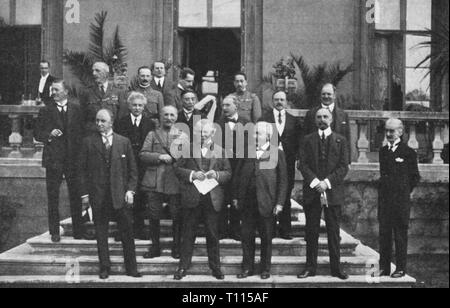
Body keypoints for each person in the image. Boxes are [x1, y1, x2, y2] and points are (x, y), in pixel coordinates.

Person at [79, 109, 141, 279]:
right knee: (101, 233)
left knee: (127, 232)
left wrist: (130, 190)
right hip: (98, 196)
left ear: (111, 122)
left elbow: (133, 171)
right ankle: (104, 267)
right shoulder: (88, 142)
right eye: (97, 120)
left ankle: (132, 268)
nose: (99, 124)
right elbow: (81, 171)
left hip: (120, 195)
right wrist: (85, 195)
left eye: (103, 121)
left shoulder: (123, 142)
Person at [173, 120, 231, 281]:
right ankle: (183, 267)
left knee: (213, 234)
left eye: (206, 132)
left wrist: (217, 175)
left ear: (212, 133)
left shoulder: (221, 151)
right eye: (199, 132)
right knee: (188, 233)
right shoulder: (187, 148)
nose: (202, 135)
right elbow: (176, 169)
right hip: (192, 197)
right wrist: (192, 174)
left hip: (212, 199)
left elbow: (228, 173)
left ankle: (215, 267)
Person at [297, 108, 350, 280]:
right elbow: (302, 165)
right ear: (314, 120)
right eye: (319, 117)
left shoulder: (341, 140)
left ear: (332, 119)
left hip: (332, 192)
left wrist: (326, 183)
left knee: (333, 231)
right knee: (311, 231)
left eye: (325, 116)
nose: (322, 119)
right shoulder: (306, 140)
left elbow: (343, 167)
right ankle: (310, 267)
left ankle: (336, 268)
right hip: (312, 192)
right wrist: (315, 183)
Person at [232, 122, 288, 280]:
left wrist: (279, 203)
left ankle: (265, 268)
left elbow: (283, 181)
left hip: (267, 202)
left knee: (266, 237)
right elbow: (237, 176)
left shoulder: (277, 153)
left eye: (259, 133)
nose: (255, 136)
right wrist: (235, 197)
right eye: (254, 133)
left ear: (268, 136)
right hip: (247, 202)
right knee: (247, 236)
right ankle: (247, 267)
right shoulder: (246, 152)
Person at [34, 79, 88, 242]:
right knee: (53, 196)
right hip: (54, 159)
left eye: (57, 90)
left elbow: (82, 133)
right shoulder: (46, 110)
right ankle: (54, 232)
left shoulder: (76, 110)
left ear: (66, 92)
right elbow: (37, 133)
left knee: (75, 195)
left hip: (72, 159)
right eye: (52, 90)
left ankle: (79, 231)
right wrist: (49, 134)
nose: (53, 93)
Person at [140, 105, 187, 259]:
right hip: (155, 181)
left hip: (174, 180)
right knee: (154, 215)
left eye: (172, 115)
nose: (169, 118)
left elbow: (188, 157)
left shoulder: (182, 135)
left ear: (176, 117)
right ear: (160, 116)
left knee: (177, 215)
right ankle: (155, 247)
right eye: (165, 114)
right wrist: (159, 157)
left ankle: (177, 247)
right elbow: (143, 154)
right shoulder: (152, 134)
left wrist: (176, 158)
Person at [378, 118, 420, 278]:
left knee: (400, 236)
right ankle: (384, 267)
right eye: (387, 131)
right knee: (384, 235)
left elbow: (415, 177)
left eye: (392, 131)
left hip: (400, 202)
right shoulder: (383, 152)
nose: (388, 134)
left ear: (400, 132)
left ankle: (401, 268)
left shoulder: (408, 152)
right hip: (385, 202)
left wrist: (402, 192)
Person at [261, 91, 302, 239]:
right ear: (272, 101)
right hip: (269, 160)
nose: (279, 102)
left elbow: (299, 141)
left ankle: (285, 229)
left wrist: (298, 157)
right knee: (270, 192)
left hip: (288, 162)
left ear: (286, 102)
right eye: (276, 99)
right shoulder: (264, 118)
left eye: (282, 99)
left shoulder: (293, 120)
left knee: (285, 193)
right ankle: (269, 230)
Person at [115, 92, 155, 239]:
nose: (137, 108)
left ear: (144, 107)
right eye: (134, 105)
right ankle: (123, 230)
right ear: (129, 106)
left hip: (142, 163)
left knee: (141, 196)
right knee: (124, 195)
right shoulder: (121, 122)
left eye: (140, 105)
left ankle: (140, 228)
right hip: (125, 163)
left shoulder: (149, 123)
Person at [216, 95, 250, 241]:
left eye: (227, 105)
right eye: (223, 105)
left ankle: (236, 229)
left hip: (240, 166)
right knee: (223, 197)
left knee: (238, 196)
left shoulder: (246, 122)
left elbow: (250, 144)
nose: (224, 108)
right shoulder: (218, 123)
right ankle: (222, 229)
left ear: (236, 106)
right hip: (223, 166)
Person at [304, 83, 351, 162]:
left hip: (336, 157)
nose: (326, 96)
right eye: (323, 94)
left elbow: (347, 139)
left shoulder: (343, 115)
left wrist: (348, 161)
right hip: (315, 158)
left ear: (334, 95)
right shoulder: (311, 114)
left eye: (329, 94)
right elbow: (305, 137)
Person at [79, 62, 127, 135]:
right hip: (92, 134)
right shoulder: (87, 92)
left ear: (106, 73)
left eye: (97, 71)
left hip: (112, 133)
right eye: (93, 71)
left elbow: (121, 116)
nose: (94, 73)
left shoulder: (118, 92)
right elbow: (82, 116)